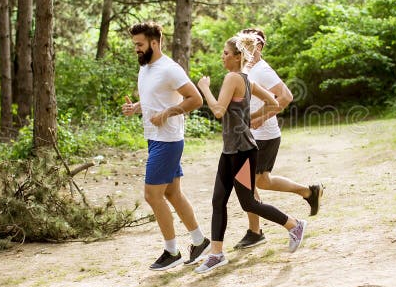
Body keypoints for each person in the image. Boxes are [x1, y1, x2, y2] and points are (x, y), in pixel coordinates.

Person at [194, 33, 308, 274]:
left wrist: (204, 88)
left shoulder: (233, 78)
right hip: (232, 150)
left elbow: (217, 110)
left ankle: (294, 225)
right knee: (219, 200)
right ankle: (216, 254)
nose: (222, 57)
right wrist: (248, 120)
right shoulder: (247, 80)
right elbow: (274, 103)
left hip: (243, 152)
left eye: (225, 54)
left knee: (248, 201)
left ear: (237, 57)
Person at [122, 22, 211, 270]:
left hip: (167, 141)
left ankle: (172, 252)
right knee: (172, 193)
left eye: (139, 45)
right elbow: (155, 96)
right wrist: (137, 107)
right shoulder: (146, 67)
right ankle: (200, 241)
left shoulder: (170, 69)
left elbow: (196, 99)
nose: (136, 49)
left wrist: (168, 113)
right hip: (154, 139)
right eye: (135, 45)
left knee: (152, 195)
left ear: (154, 42)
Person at [232, 28, 324, 250]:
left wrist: (262, 117)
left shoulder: (262, 70)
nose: (241, 48)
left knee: (247, 181)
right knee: (260, 181)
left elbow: (286, 96)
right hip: (255, 135)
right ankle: (308, 191)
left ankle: (256, 232)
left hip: (263, 136)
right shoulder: (246, 69)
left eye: (247, 44)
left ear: (259, 47)